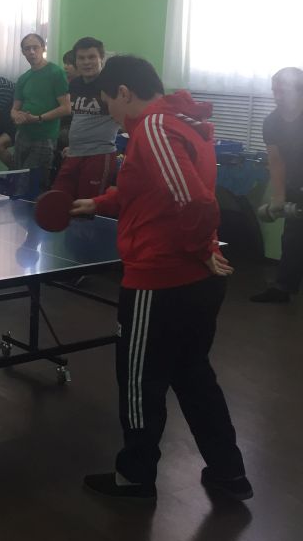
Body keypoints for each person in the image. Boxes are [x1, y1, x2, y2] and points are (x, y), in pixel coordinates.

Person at [71, 55, 252, 502]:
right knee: (193, 375)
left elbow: (194, 202)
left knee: (139, 380)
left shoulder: (153, 127)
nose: (112, 114)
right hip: (195, 282)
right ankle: (229, 473)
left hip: (161, 280)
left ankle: (134, 477)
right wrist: (101, 203)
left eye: (110, 104)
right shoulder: (184, 123)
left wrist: (200, 248)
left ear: (124, 93)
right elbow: (154, 189)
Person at [250, 66, 303, 303]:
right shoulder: (272, 122)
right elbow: (276, 160)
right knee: (292, 238)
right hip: (296, 183)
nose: (277, 96)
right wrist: (278, 196)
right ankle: (283, 288)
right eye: (274, 91)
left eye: (283, 91)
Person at [52, 37, 119, 200]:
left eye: (91, 57)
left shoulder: (111, 85)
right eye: (81, 58)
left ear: (101, 58)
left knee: (87, 207)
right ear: (76, 61)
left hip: (99, 155)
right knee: (59, 199)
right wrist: (74, 145)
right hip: (74, 153)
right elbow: (80, 119)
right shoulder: (75, 84)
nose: (86, 62)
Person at [11, 33, 70, 190]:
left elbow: (66, 108)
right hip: (22, 135)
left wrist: (38, 118)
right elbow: (14, 109)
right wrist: (16, 116)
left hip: (44, 137)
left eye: (35, 47)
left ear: (43, 48)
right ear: (23, 52)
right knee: (18, 179)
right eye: (27, 48)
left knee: (32, 185)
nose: (31, 52)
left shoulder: (56, 73)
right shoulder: (23, 78)